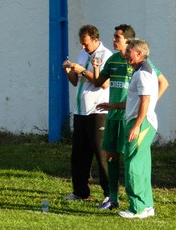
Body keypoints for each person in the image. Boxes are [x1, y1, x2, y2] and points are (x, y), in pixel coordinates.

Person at [92, 24, 169, 210]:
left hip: (133, 119)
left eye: (117, 37)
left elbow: (163, 83)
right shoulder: (113, 61)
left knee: (132, 160)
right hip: (115, 116)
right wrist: (95, 68)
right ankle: (112, 197)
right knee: (112, 157)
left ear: (129, 42)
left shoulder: (143, 67)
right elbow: (98, 83)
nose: (113, 40)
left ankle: (138, 204)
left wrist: (149, 105)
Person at [62, 25, 112, 204]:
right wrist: (69, 70)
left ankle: (109, 194)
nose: (83, 48)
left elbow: (103, 84)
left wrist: (82, 70)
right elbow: (76, 82)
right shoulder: (83, 54)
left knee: (102, 155)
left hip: (98, 112)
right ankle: (80, 192)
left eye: (86, 44)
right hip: (80, 111)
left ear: (95, 40)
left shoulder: (106, 55)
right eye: (81, 44)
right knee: (79, 155)